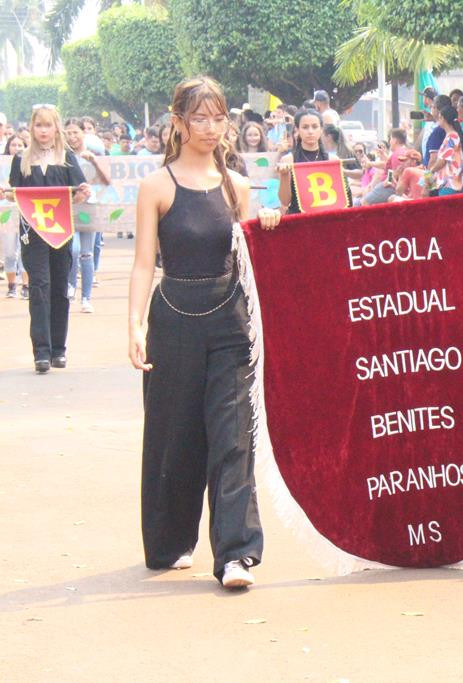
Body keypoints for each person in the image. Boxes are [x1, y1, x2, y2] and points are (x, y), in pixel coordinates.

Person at [128, 76, 282, 589]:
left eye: (220, 117)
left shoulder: (236, 187)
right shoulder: (157, 187)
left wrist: (274, 222)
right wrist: (136, 323)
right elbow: (143, 264)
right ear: (178, 122)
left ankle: (237, 553)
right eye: (201, 117)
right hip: (172, 319)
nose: (212, 127)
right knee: (176, 436)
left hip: (231, 324)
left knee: (234, 435)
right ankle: (173, 539)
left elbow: (256, 260)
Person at [5, 104, 91, 373]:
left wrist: (83, 193)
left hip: (61, 231)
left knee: (59, 289)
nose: (43, 131)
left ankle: (59, 349)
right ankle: (41, 351)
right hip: (32, 233)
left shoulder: (66, 159)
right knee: (39, 287)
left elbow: (78, 192)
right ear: (32, 127)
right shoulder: (21, 160)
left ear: (56, 128)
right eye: (39, 125)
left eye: (48, 125)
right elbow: (13, 193)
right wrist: (8, 193)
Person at [64, 117, 111, 314]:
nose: (72, 136)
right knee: (72, 251)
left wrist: (94, 161)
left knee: (87, 253)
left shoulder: (94, 154)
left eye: (76, 132)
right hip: (69, 208)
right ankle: (71, 286)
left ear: (84, 133)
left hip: (89, 209)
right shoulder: (64, 156)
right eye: (69, 133)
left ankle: (86, 298)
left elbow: (106, 180)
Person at [275, 108, 330, 214]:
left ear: (321, 129)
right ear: (297, 130)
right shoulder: (288, 160)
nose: (310, 131)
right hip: (298, 219)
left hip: (326, 218)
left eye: (314, 127)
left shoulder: (332, 160)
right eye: (305, 127)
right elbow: (285, 202)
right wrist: (284, 175)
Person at [2, 134, 29, 298]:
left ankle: (26, 284)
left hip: (25, 209)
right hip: (4, 212)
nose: (17, 148)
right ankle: (12, 284)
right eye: (14, 145)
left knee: (26, 248)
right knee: (10, 252)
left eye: (20, 145)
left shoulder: (29, 164)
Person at [428, 105, 463, 196]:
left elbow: (442, 161)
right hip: (447, 183)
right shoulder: (450, 136)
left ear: (443, 118)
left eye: (439, 117)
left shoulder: (452, 137)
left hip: (449, 183)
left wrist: (430, 171)